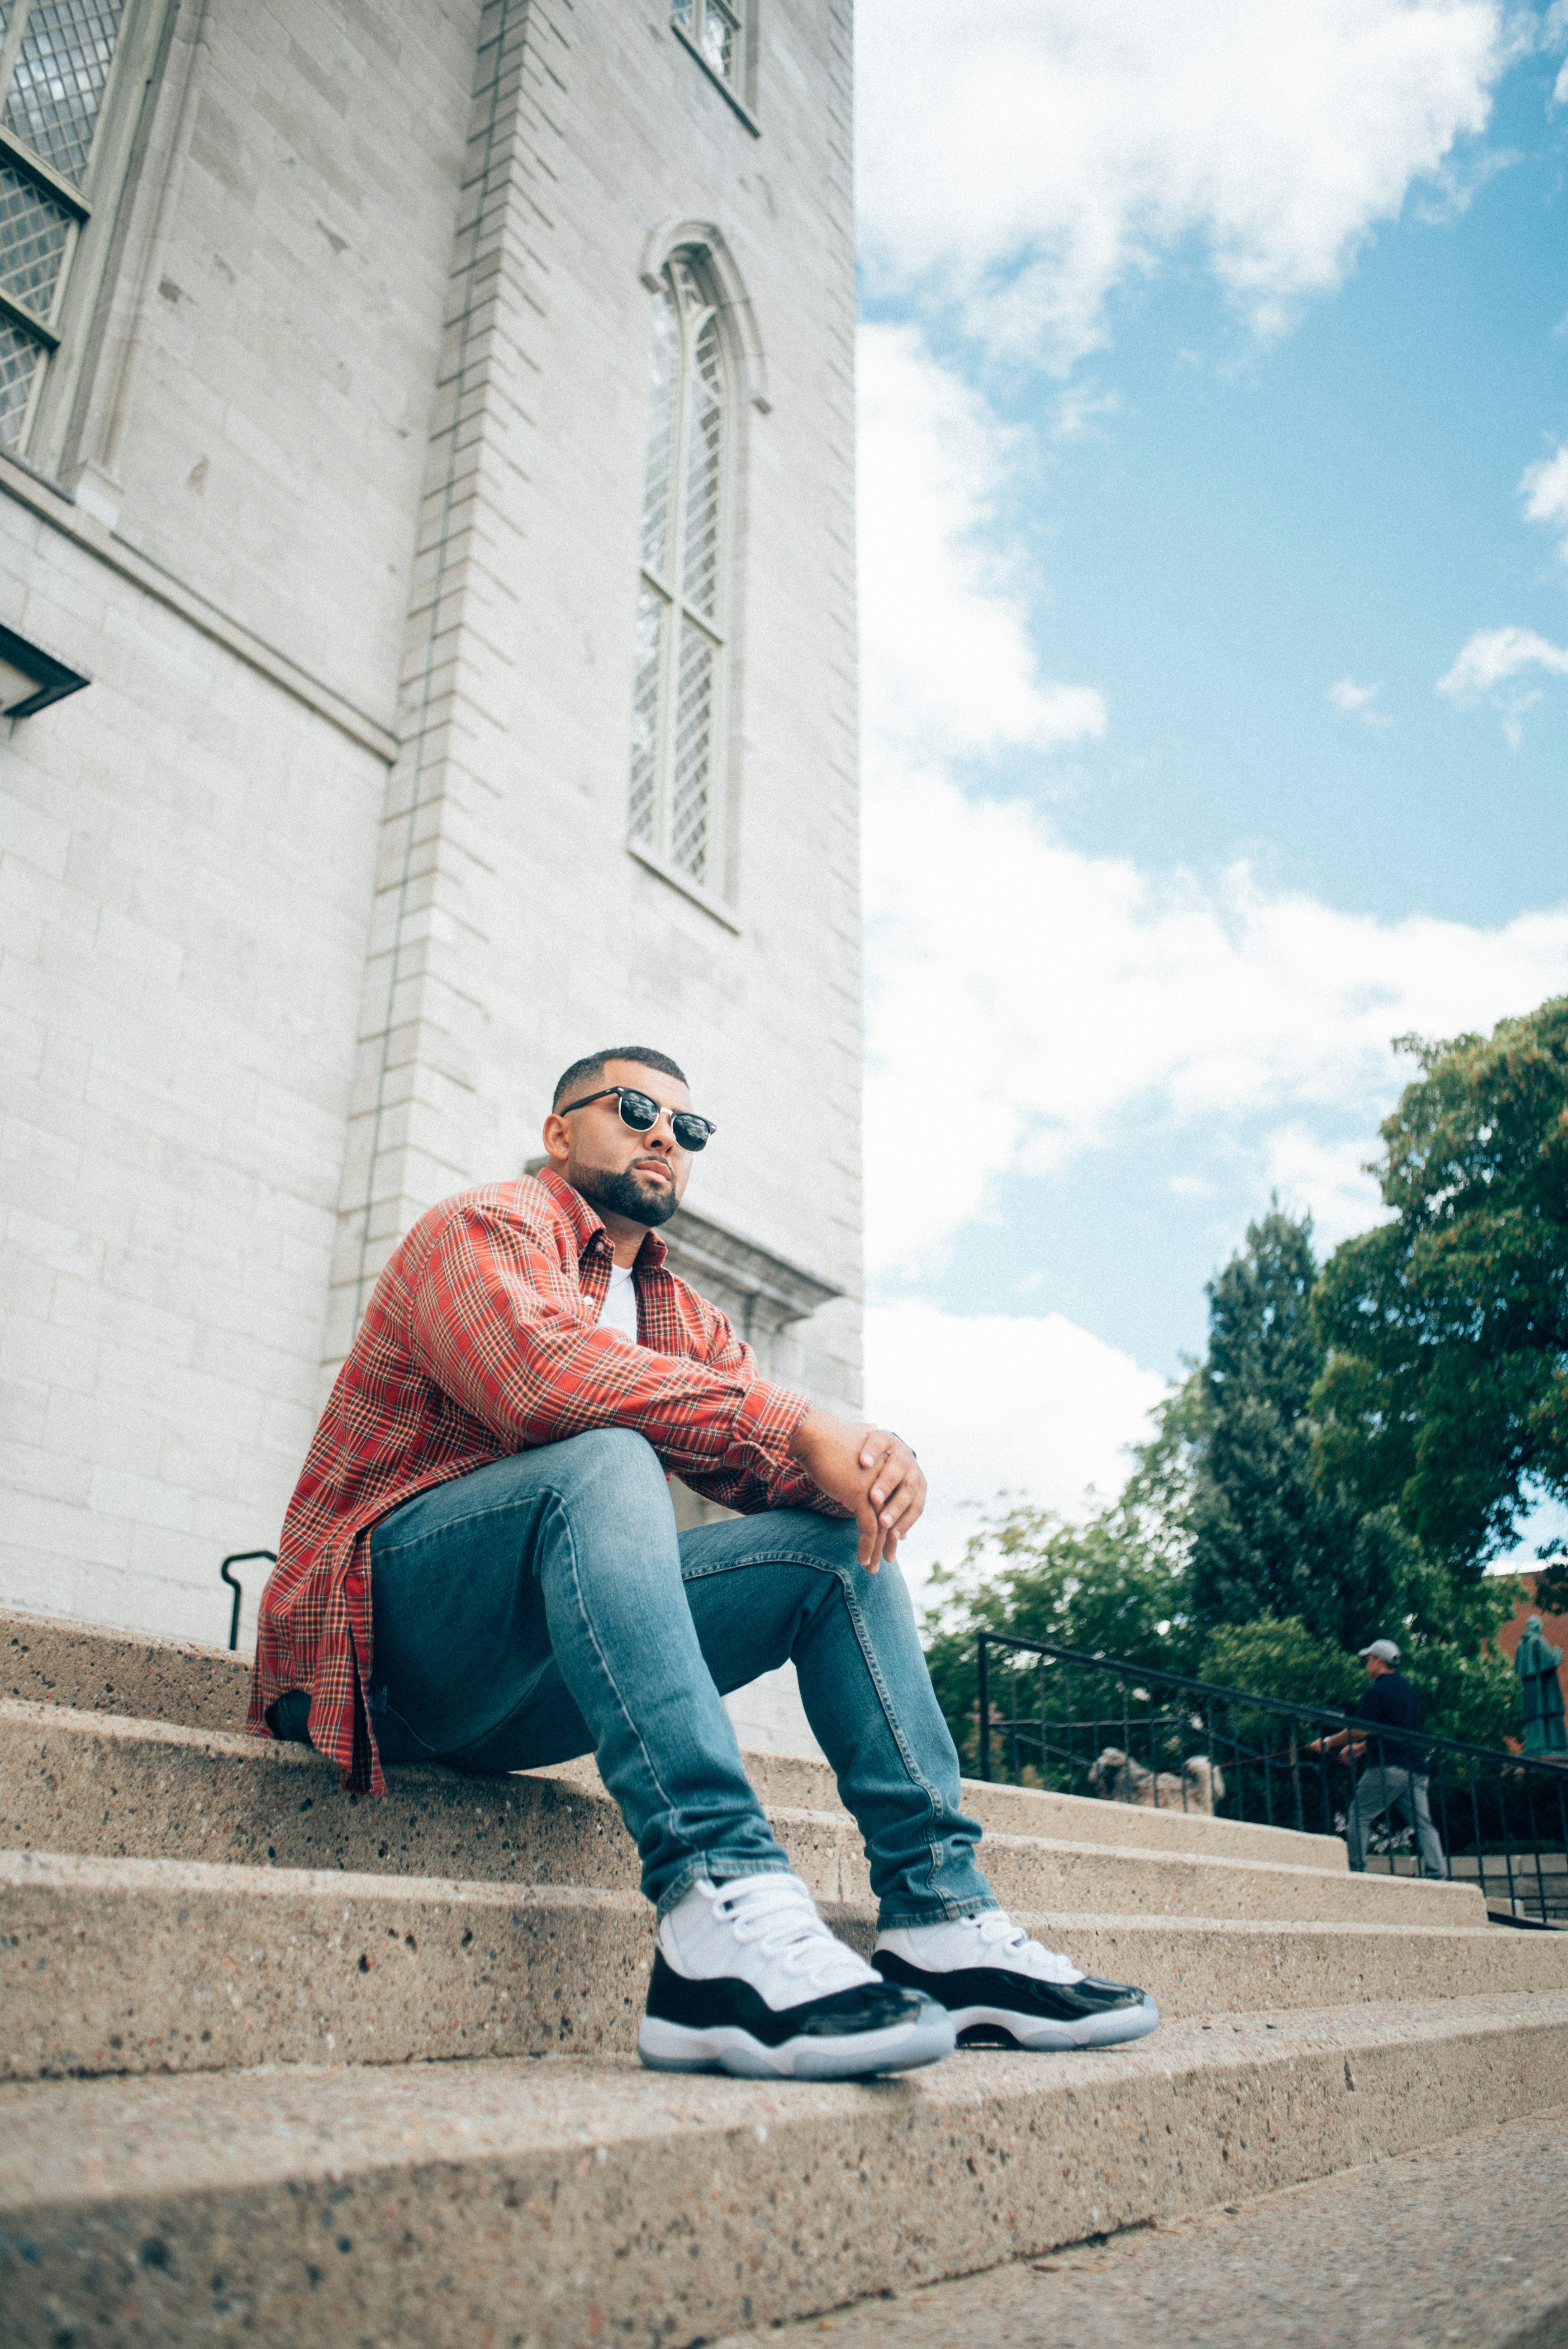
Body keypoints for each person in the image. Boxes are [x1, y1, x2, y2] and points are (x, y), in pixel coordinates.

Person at [247, 1047, 1159, 2080]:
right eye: (635, 1109)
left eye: (689, 1128)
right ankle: (718, 1902)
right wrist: (797, 1419)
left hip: (516, 1696)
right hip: (376, 1656)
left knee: (828, 1554)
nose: (663, 1137)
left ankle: (941, 1915)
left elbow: (769, 1458)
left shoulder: (682, 1317)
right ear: (560, 1131)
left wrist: (864, 1462)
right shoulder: (484, 1226)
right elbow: (540, 1380)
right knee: (600, 1457)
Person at [1306, 1639, 1446, 1877]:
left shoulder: (1376, 1692)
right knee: (1423, 1823)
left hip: (1389, 1767)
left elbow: (1361, 1729)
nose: (1367, 1665)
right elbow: (1394, 1729)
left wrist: (1329, 1742)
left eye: (1369, 1660)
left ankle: (1357, 1872)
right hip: (1416, 1768)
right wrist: (1361, 1749)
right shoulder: (1409, 1692)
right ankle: (1437, 1872)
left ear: (1379, 1662)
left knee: (1359, 1814)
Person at [1515, 1613, 1568, 1760]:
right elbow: (1551, 1663)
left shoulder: (1521, 1644)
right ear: (1538, 1627)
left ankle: (1535, 1745)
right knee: (1549, 1711)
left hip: (1529, 1688)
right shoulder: (1539, 1641)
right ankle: (1552, 1745)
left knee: (1534, 1713)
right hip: (1544, 1688)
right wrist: (1558, 1655)